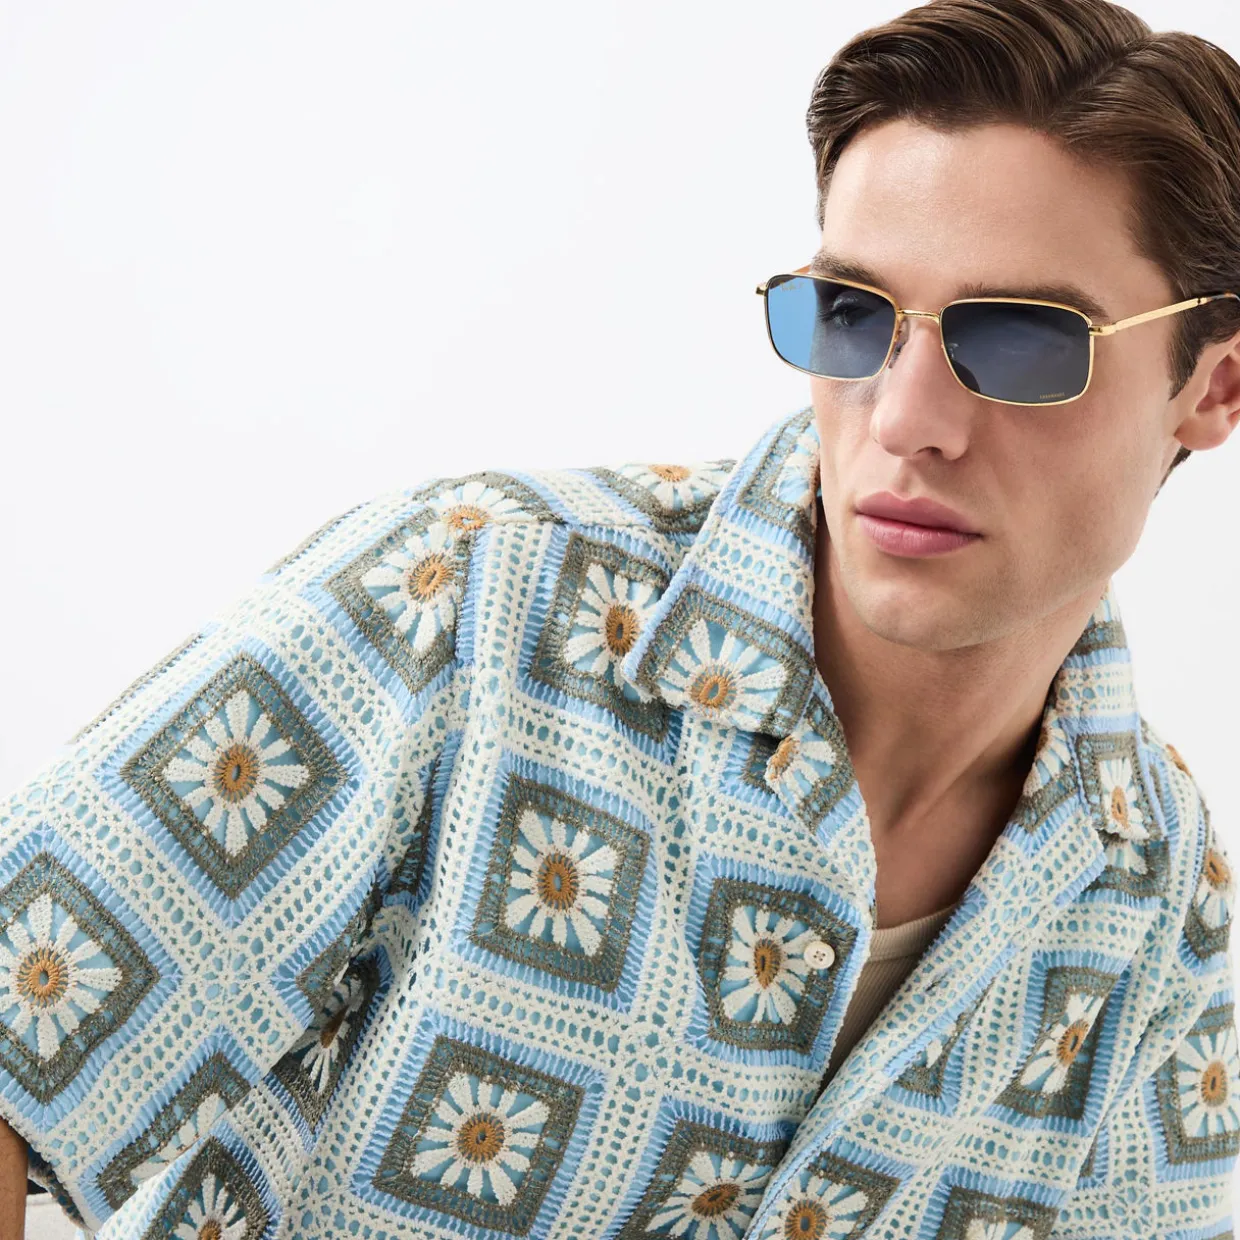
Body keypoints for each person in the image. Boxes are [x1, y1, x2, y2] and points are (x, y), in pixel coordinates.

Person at [2, 0, 1239, 1236]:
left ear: (1212, 385)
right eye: (852, 315)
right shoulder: (469, 603)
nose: (907, 418)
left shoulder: (1162, 911)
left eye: (1020, 342)